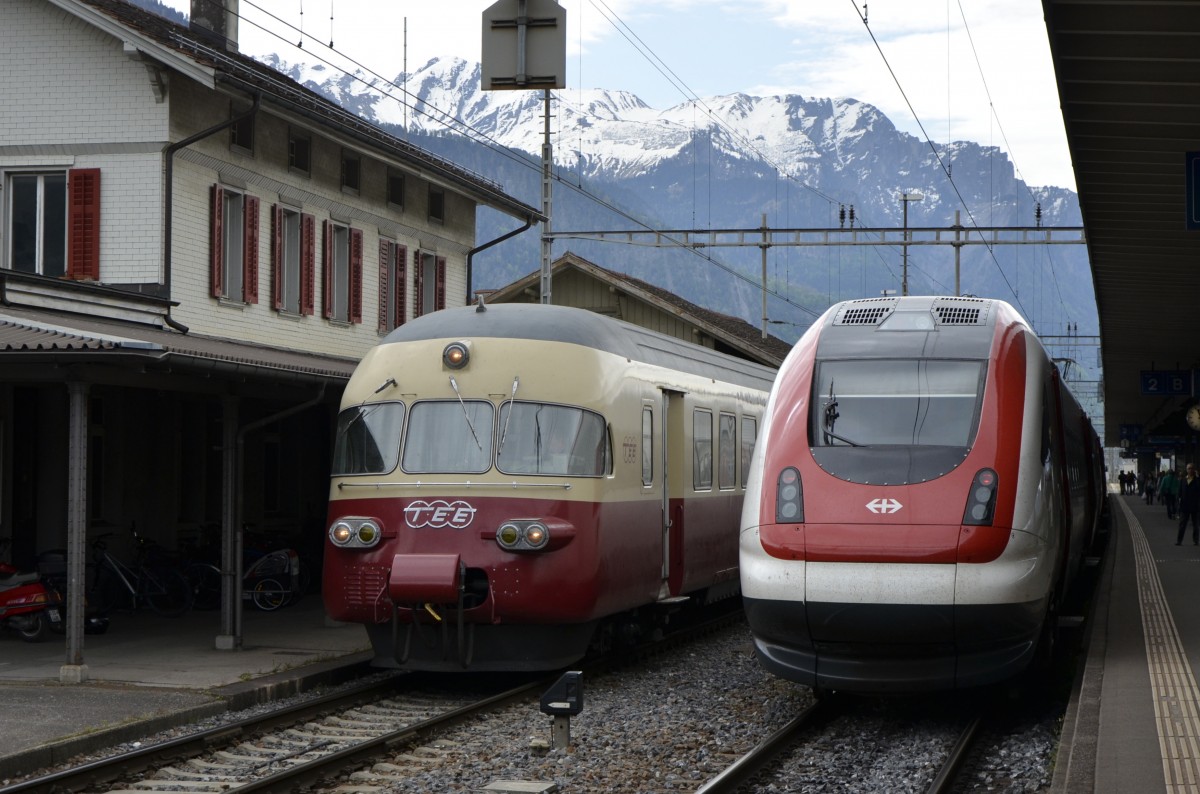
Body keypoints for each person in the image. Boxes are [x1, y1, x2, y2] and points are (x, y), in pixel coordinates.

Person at [1176, 463, 1200, 545]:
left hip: (1195, 506)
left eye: (1192, 468)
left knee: (1196, 525)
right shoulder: (1183, 480)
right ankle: (1179, 541)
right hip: (1185, 505)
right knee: (1182, 524)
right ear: (1186, 470)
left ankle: (1196, 540)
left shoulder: (1197, 480)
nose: (1190, 470)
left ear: (1194, 470)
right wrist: (1178, 503)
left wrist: (1197, 477)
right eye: (1189, 468)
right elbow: (1179, 492)